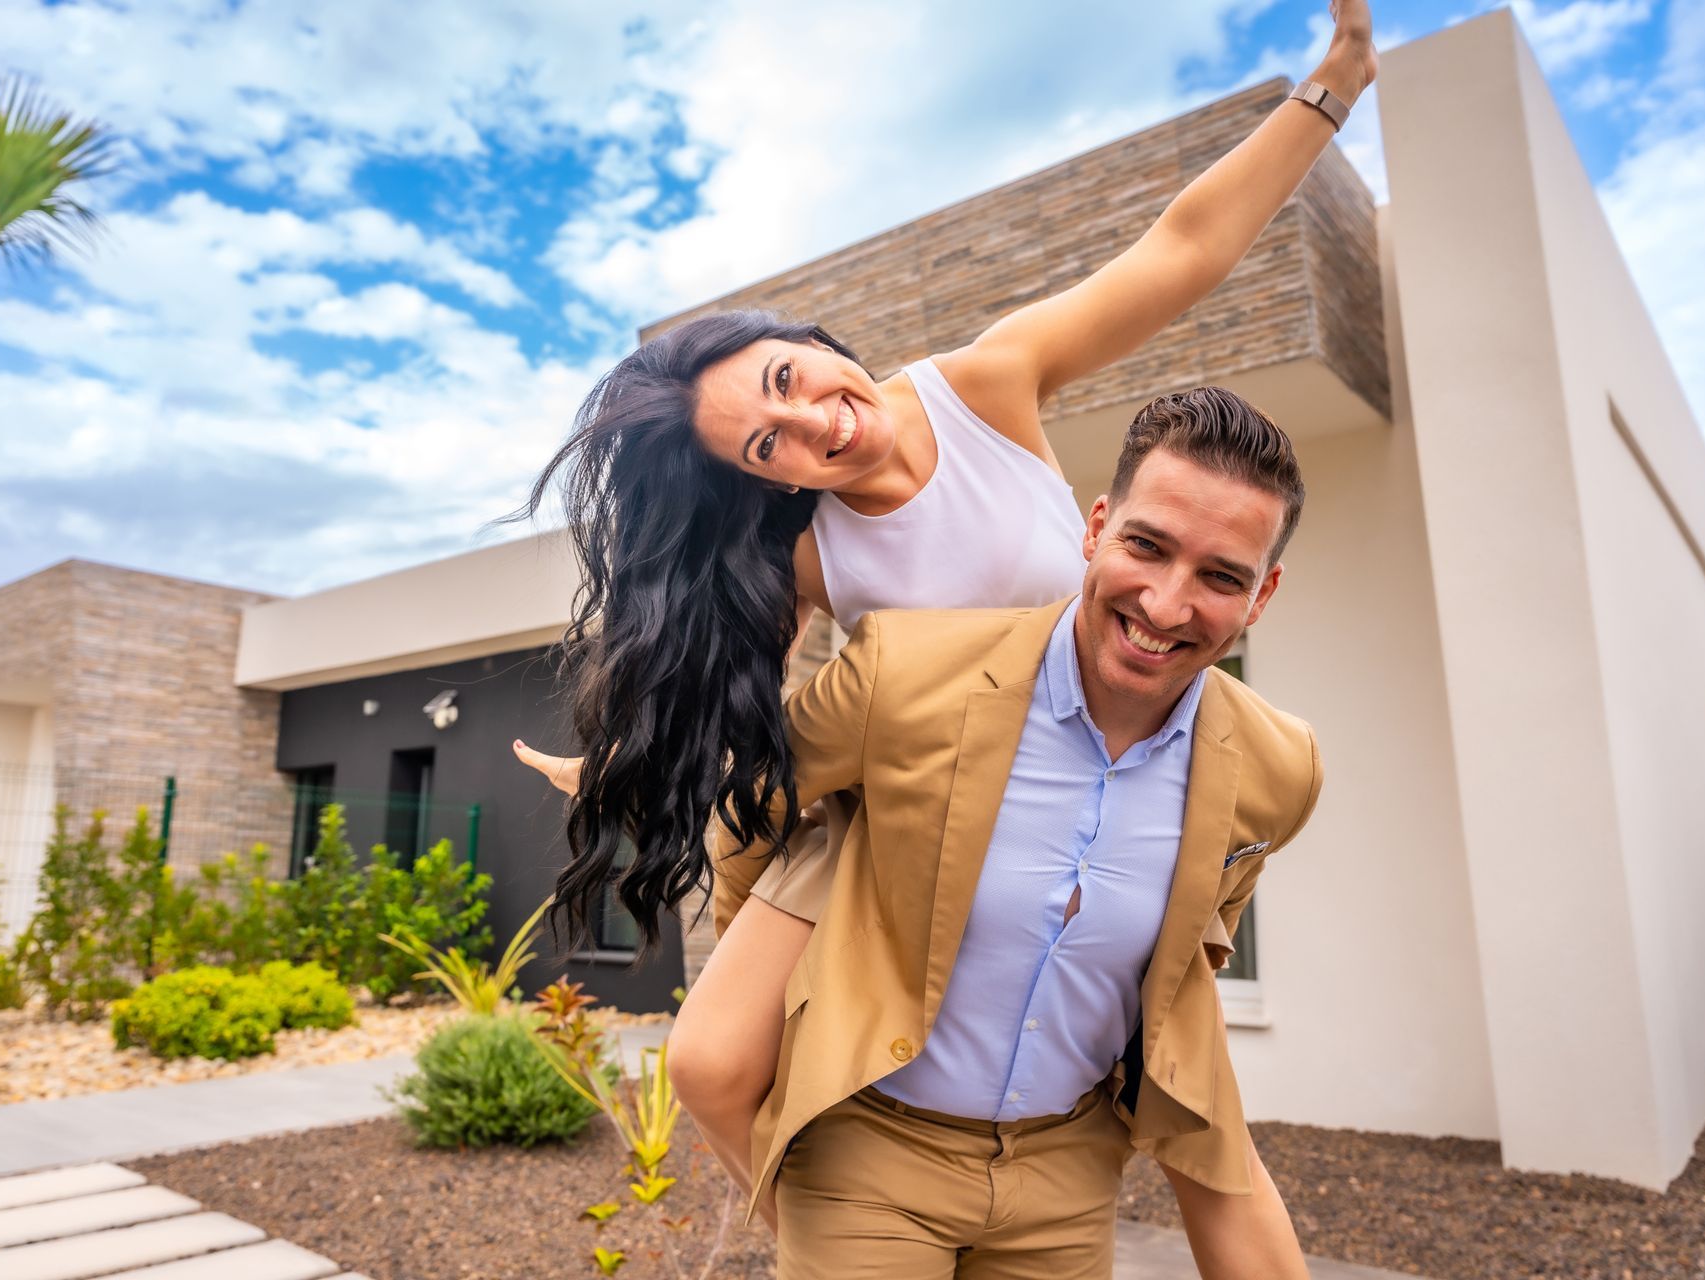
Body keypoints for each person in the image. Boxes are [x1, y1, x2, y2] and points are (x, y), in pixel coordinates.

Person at [512, 0, 1373, 1256]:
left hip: (1099, 760)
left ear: (798, 339)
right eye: (771, 445)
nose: (816, 427)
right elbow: (750, 724)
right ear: (758, 477)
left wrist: (1332, 89)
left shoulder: (984, 383)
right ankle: (839, 1214)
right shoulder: (809, 552)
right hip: (914, 795)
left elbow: (1181, 249)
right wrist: (635, 763)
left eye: (789, 383)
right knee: (707, 1054)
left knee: (1204, 1117)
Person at [712, 389, 1322, 1277]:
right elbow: (751, 804)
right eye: (1146, 546)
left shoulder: (1281, 768)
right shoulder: (904, 672)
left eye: (1221, 576)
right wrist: (761, 964)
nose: (1165, 602)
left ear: (1261, 594)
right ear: (1097, 528)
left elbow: (1201, 931)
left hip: (1068, 1180)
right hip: (868, 1152)